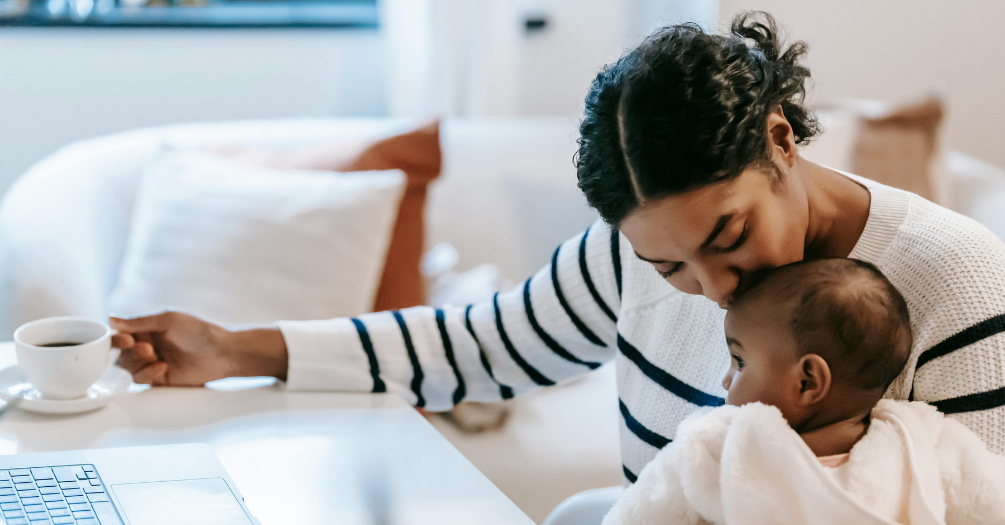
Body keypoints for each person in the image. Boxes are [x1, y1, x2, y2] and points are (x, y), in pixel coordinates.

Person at [112, 10, 1005, 491]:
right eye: (667, 266)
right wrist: (234, 349)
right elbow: (480, 346)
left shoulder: (955, 282)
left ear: (780, 140)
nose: (710, 290)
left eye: (726, 237)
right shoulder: (627, 259)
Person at [602, 258, 1005, 525]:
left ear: (808, 381)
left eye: (739, 361)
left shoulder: (919, 443)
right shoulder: (715, 450)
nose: (726, 380)